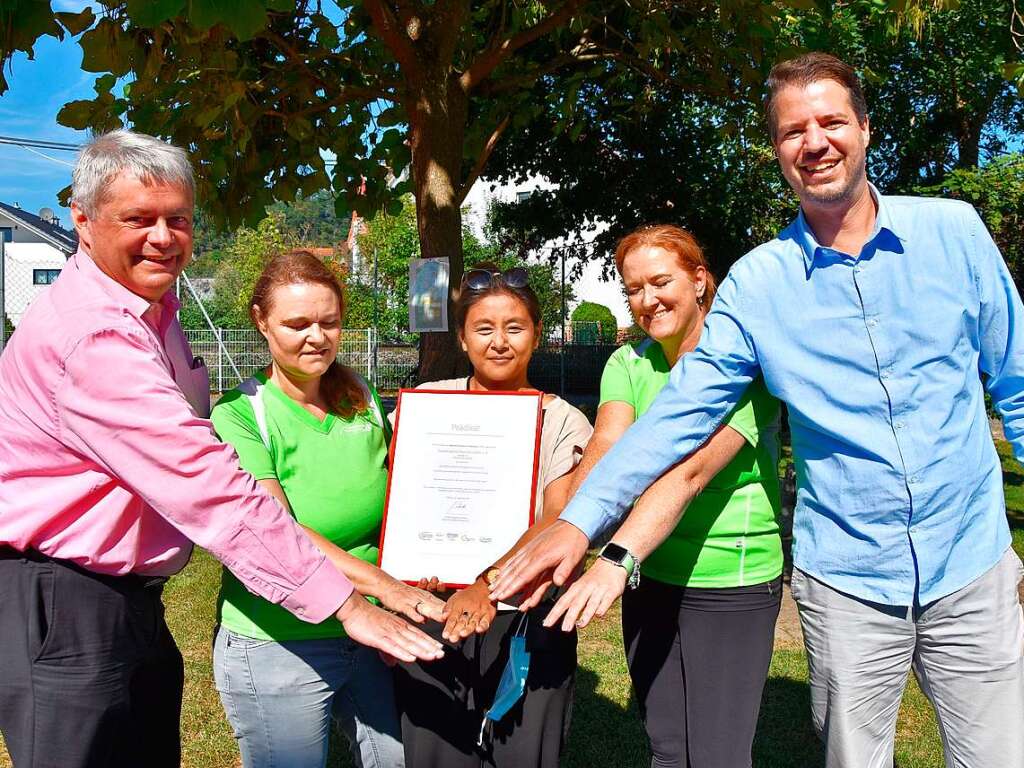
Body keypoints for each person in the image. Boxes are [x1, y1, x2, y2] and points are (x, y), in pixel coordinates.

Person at [493, 52, 1024, 768]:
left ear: (866, 129)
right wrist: (581, 522)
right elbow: (676, 419)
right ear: (777, 151)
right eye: (793, 131)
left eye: (832, 121)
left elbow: (1017, 385)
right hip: (850, 585)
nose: (815, 142)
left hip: (971, 566)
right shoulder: (757, 286)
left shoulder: (954, 234)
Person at [0, 130, 442, 768]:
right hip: (67, 606)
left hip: (127, 604)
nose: (163, 236)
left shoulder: (154, 313)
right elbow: (213, 490)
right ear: (83, 221)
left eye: (177, 219)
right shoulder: (95, 336)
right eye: (138, 219)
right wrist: (347, 603)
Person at [549, 224, 783, 768]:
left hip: (733, 581)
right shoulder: (627, 364)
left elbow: (690, 474)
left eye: (660, 282)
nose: (647, 301)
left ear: (700, 281)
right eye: (633, 289)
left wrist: (610, 556)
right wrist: (556, 531)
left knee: (718, 756)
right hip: (651, 578)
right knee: (667, 749)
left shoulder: (744, 366)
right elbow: (605, 448)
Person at [210, 252, 446, 768]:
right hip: (280, 642)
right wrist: (386, 586)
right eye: (297, 323)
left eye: (330, 322)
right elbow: (280, 534)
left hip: (370, 637)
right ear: (260, 321)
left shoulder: (360, 395)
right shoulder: (240, 415)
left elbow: (407, 492)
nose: (317, 336)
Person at [393, 264, 593, 768]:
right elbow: (390, 492)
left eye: (515, 327)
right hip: (435, 610)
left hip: (527, 617)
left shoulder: (563, 418)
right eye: (483, 328)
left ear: (537, 334)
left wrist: (487, 582)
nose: (499, 342)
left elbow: (557, 517)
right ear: (461, 337)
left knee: (525, 756)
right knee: (436, 754)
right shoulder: (425, 407)